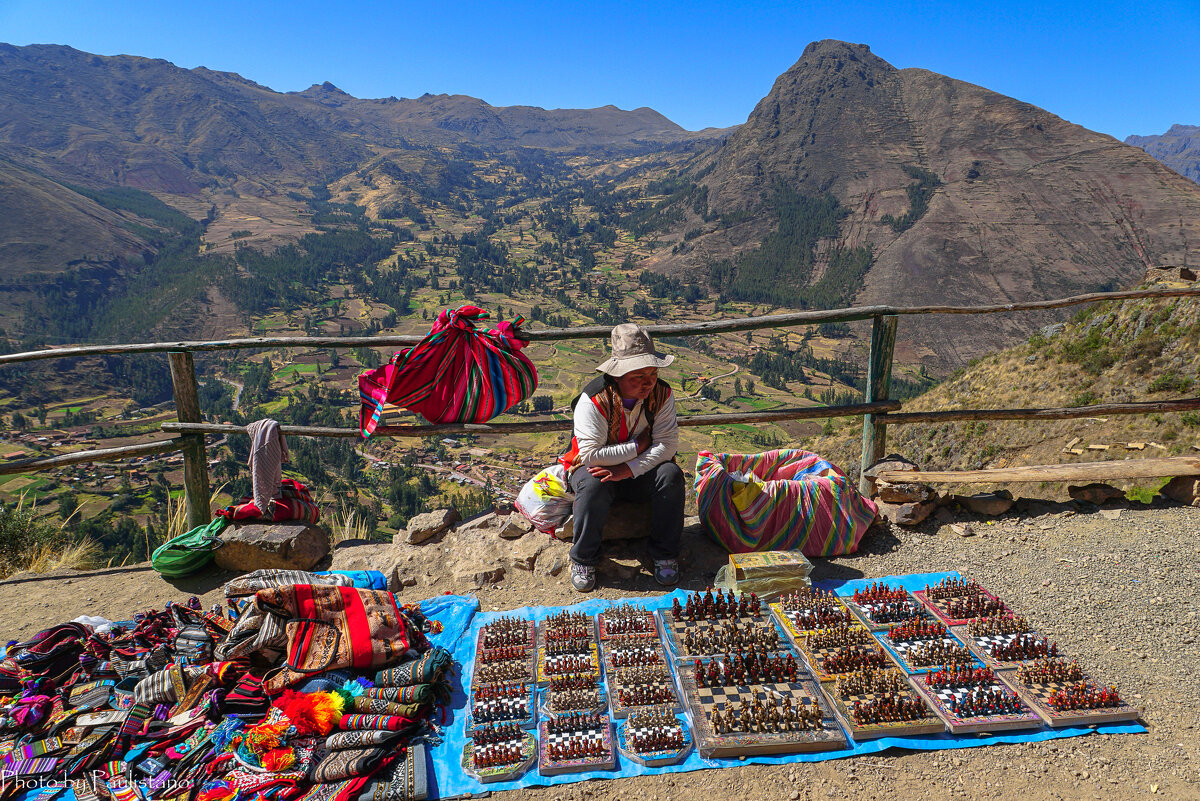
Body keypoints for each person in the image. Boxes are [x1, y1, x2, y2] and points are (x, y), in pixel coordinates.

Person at [558, 323, 685, 592]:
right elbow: (590, 455)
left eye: (652, 373)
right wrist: (637, 446)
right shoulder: (593, 400)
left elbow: (668, 445)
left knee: (670, 475)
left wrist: (628, 469)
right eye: (637, 377)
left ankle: (664, 554)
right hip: (594, 467)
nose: (648, 382)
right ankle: (583, 558)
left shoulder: (662, 395)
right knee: (593, 483)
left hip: (635, 472)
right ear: (618, 376)